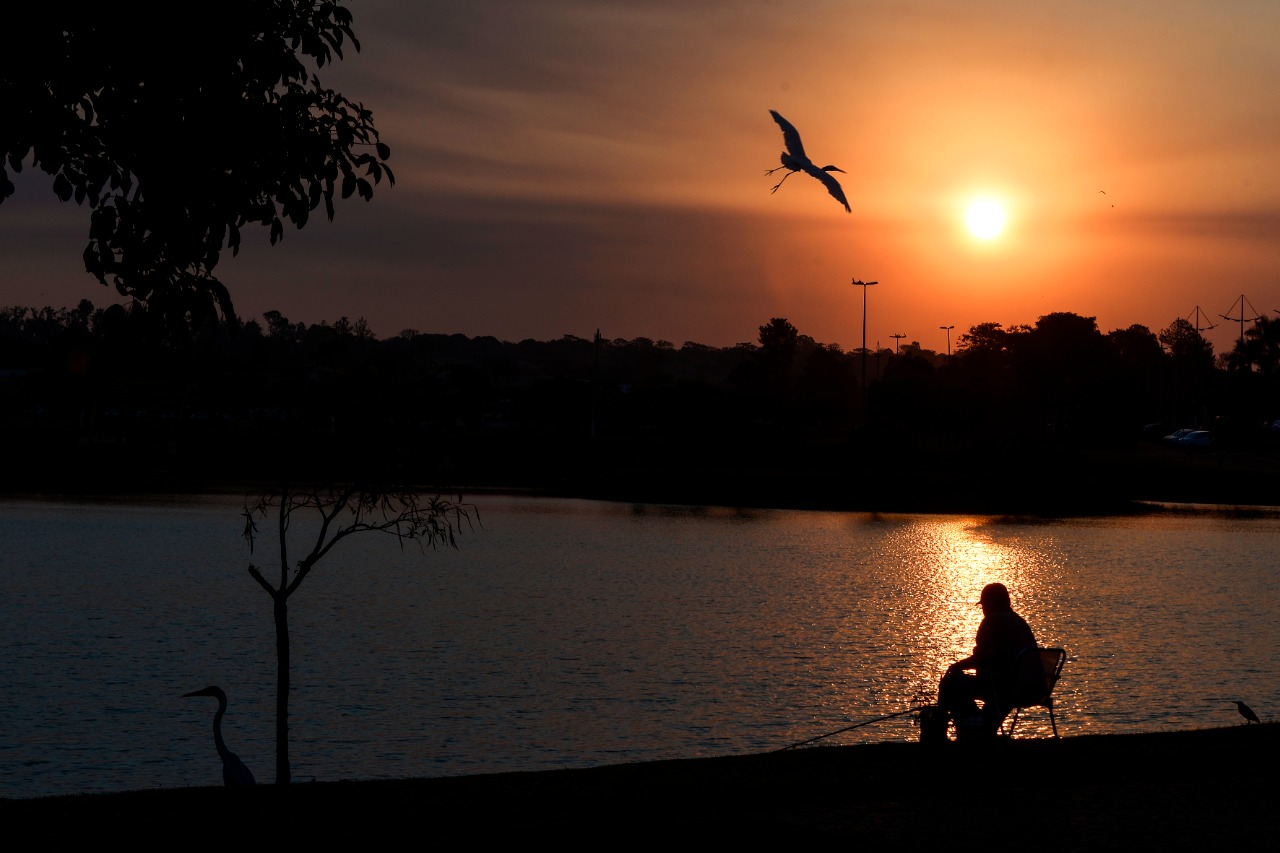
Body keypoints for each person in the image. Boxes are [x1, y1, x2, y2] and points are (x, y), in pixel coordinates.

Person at [938, 582, 1040, 737]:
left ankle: (944, 732)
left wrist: (956, 667)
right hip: (1032, 688)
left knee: (950, 683)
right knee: (985, 688)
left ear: (991, 604)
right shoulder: (1019, 622)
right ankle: (980, 726)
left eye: (984, 605)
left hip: (1003, 686)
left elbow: (980, 659)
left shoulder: (991, 623)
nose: (983, 610)